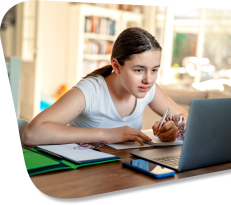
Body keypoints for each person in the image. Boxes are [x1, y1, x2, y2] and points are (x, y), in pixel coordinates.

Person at [23, 27, 188, 147]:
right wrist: (107, 134)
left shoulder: (149, 89)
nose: (149, 79)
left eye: (154, 70)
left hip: (123, 169)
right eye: (139, 70)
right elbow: (32, 134)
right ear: (116, 66)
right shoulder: (90, 91)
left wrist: (172, 130)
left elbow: (183, 115)